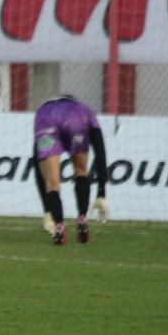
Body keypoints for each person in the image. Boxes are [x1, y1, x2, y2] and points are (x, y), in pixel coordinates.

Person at [33, 95, 109, 245]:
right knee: (81, 170)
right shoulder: (86, 111)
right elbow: (100, 152)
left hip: (46, 118)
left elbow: (37, 167)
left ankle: (59, 228)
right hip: (76, 118)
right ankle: (82, 218)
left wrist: (47, 210)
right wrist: (101, 193)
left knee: (52, 184)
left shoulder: (43, 111)